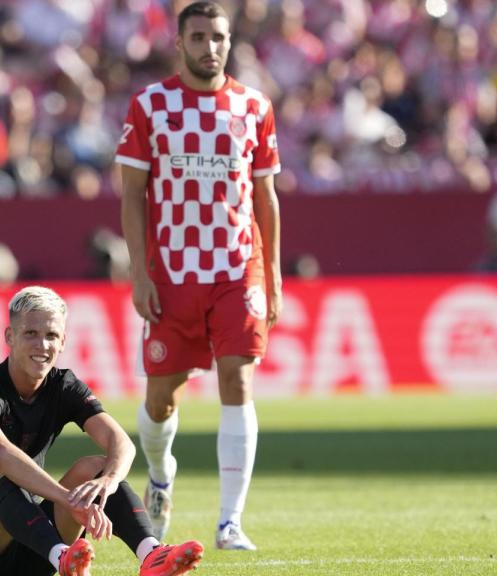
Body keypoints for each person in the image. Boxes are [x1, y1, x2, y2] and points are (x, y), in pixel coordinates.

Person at [115, 1, 282, 551]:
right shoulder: (151, 105)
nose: (210, 47)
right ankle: (161, 476)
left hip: (237, 268)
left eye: (219, 37)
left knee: (238, 379)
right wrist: (140, 273)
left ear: (229, 42)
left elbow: (265, 196)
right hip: (173, 272)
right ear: (179, 43)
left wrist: (273, 276)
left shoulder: (254, 106)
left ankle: (229, 521)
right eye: (199, 37)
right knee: (162, 399)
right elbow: (132, 196)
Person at [0, 286, 204, 576]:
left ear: (63, 343)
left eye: (51, 336)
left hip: (28, 541)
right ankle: (62, 558)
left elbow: (120, 442)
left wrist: (108, 481)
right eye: (30, 334)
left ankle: (151, 554)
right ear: (10, 337)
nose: (42, 345)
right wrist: (66, 499)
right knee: (2, 473)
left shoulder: (63, 386)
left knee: (95, 467)